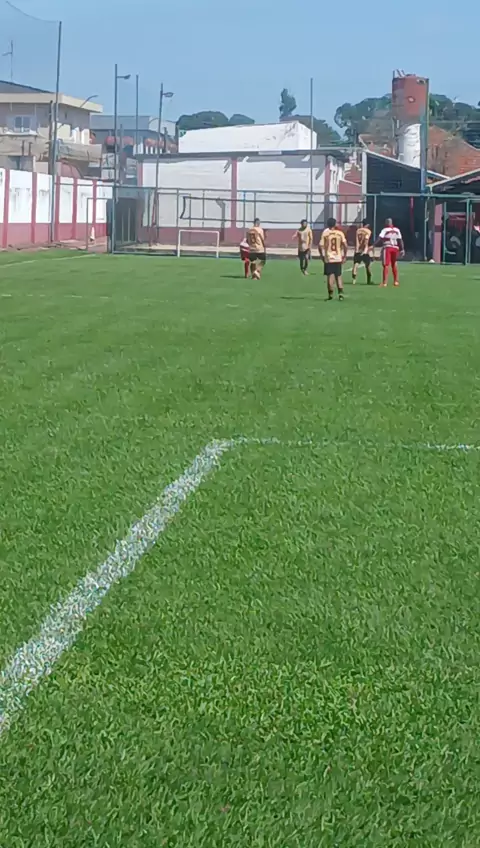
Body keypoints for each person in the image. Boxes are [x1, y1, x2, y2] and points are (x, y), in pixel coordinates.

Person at [319, 217, 347, 300]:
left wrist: (322, 256)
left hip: (329, 258)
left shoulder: (325, 233)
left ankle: (330, 294)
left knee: (330, 276)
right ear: (335, 224)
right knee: (338, 276)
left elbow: (320, 246)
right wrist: (345, 255)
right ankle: (341, 294)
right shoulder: (340, 233)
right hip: (338, 258)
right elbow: (345, 245)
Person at [377, 217, 404, 287]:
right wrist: (402, 249)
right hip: (395, 248)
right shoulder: (397, 230)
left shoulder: (385, 230)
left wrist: (373, 245)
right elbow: (400, 240)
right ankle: (396, 281)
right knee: (394, 264)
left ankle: (384, 282)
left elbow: (380, 238)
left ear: (387, 223)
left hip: (387, 247)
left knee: (386, 265)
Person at [352, 219, 373, 285]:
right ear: (367, 225)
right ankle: (369, 281)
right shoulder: (368, 231)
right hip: (364, 251)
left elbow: (356, 240)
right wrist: (365, 250)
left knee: (356, 264)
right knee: (368, 266)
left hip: (357, 250)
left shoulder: (358, 230)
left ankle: (354, 280)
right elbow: (366, 241)